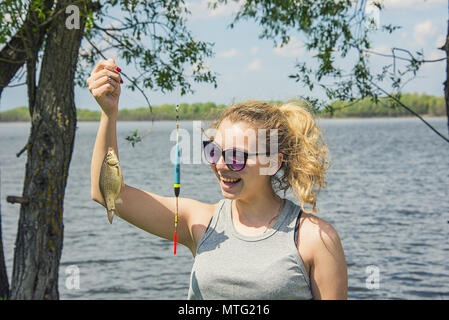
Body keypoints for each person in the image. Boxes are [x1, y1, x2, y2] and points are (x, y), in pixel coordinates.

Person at [87, 58, 348, 300]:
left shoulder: (315, 238)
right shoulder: (198, 222)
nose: (221, 165)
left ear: (272, 162)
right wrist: (109, 113)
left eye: (236, 157)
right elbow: (108, 194)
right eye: (214, 151)